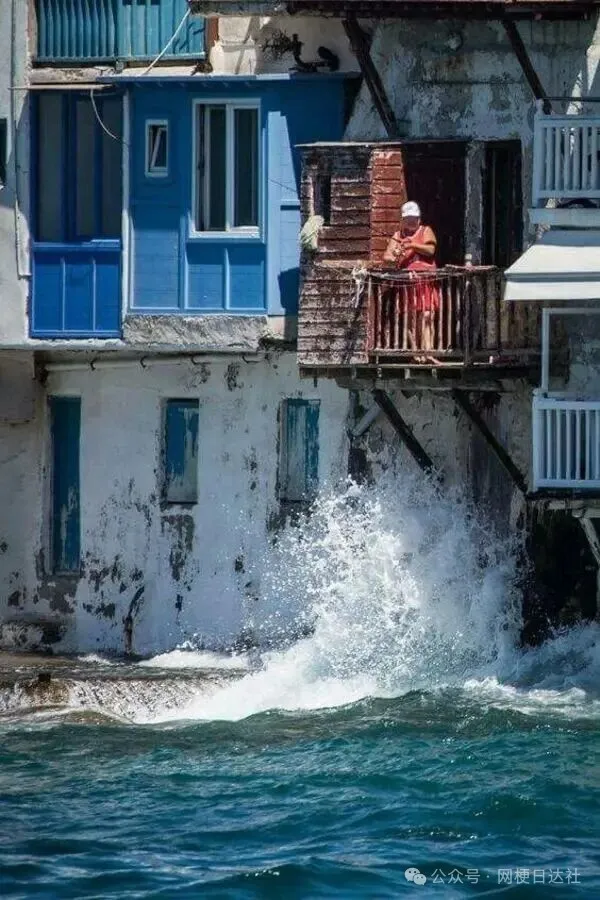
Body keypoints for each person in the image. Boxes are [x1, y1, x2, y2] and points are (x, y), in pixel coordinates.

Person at [383, 201, 440, 358]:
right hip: (407, 283)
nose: (411, 222)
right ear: (402, 220)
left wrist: (413, 245)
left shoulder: (425, 230)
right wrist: (396, 254)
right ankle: (416, 353)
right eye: (408, 219)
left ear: (419, 219)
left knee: (427, 315)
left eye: (413, 219)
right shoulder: (397, 236)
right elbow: (386, 257)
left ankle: (428, 352)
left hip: (425, 282)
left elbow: (430, 250)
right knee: (411, 318)